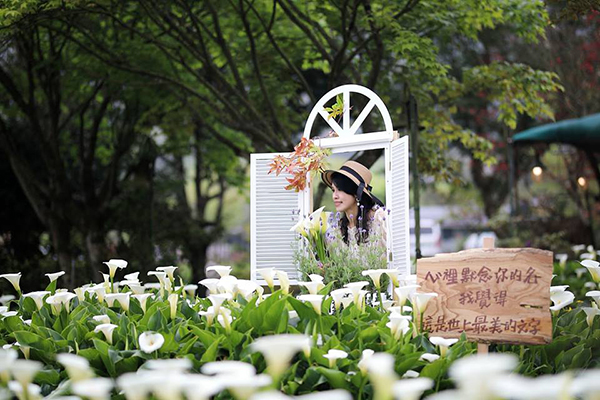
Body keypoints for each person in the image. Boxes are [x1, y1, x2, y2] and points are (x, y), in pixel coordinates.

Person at [321, 160, 387, 246]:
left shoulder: (380, 219)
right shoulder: (337, 230)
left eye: (340, 189)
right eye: (333, 190)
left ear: (356, 193)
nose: (334, 196)